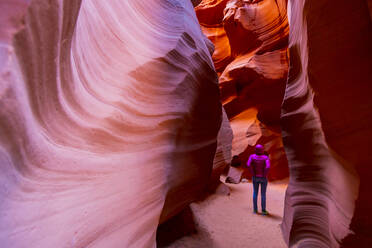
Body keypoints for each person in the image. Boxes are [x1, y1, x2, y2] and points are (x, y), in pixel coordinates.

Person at [247, 144, 270, 215]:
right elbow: (268, 167)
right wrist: (264, 174)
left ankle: (255, 210)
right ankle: (263, 211)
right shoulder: (265, 157)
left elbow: (248, 164)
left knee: (255, 193)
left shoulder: (252, 156)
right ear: (262, 150)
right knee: (263, 194)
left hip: (255, 177)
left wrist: (252, 172)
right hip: (263, 178)